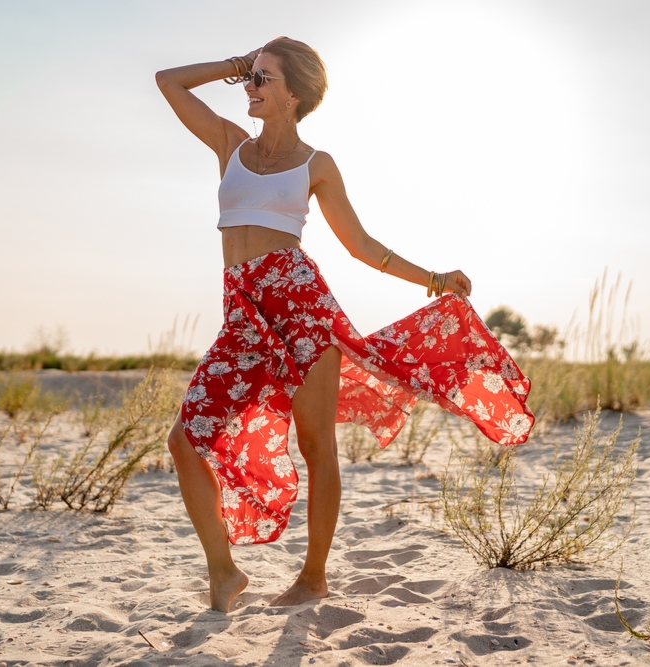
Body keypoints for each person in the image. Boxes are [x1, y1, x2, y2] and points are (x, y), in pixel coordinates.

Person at [156, 37, 534, 613]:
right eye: (250, 78)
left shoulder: (317, 165)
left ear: (296, 95)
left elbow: (362, 246)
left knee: (316, 445)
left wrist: (433, 278)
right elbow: (168, 80)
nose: (251, 89)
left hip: (304, 312)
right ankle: (223, 572)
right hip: (245, 317)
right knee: (184, 441)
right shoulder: (230, 146)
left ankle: (313, 577)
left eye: (264, 79)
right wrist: (238, 64)